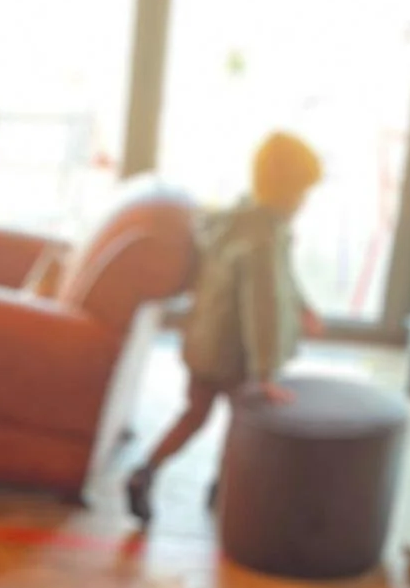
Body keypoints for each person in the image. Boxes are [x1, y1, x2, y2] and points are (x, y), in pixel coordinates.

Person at [124, 132, 323, 528]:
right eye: (303, 193)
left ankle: (145, 471)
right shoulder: (264, 239)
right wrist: (265, 373)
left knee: (194, 415)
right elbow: (263, 306)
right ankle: (225, 490)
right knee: (241, 426)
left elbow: (283, 279)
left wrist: (303, 306)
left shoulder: (236, 220)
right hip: (235, 355)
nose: (305, 203)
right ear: (288, 193)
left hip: (202, 342)